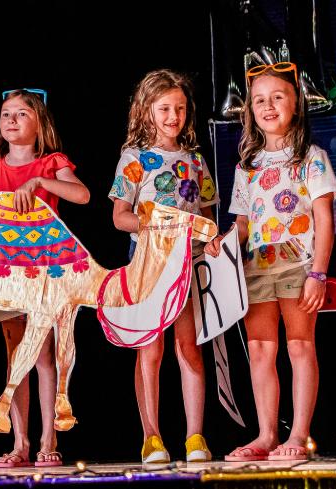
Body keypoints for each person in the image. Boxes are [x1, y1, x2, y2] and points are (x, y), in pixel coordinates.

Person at [219, 61, 336, 463]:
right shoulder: (246, 165)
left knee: (300, 345)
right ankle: (267, 434)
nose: (268, 107)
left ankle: (300, 434)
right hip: (255, 262)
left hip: (297, 259)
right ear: (250, 109)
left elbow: (324, 220)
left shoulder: (311, 156)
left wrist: (318, 273)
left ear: (295, 103)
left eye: (277, 98)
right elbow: (241, 223)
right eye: (259, 101)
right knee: (259, 348)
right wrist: (220, 245)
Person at [0, 88, 91, 468]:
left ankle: (47, 441)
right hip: (5, 272)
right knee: (14, 358)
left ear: (40, 123)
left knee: (42, 357)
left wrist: (39, 184)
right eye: (6, 113)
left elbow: (82, 195)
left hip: (42, 271)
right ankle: (19, 443)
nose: (12, 120)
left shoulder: (51, 162)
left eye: (21, 114)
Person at [109, 69, 220, 464]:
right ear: (147, 111)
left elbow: (207, 216)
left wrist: (213, 241)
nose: (173, 116)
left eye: (180, 108)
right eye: (164, 109)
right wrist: (155, 225)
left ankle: (195, 436)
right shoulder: (134, 159)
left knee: (189, 347)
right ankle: (152, 436)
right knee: (149, 350)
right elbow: (120, 216)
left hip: (188, 265)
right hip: (149, 263)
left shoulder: (194, 159)